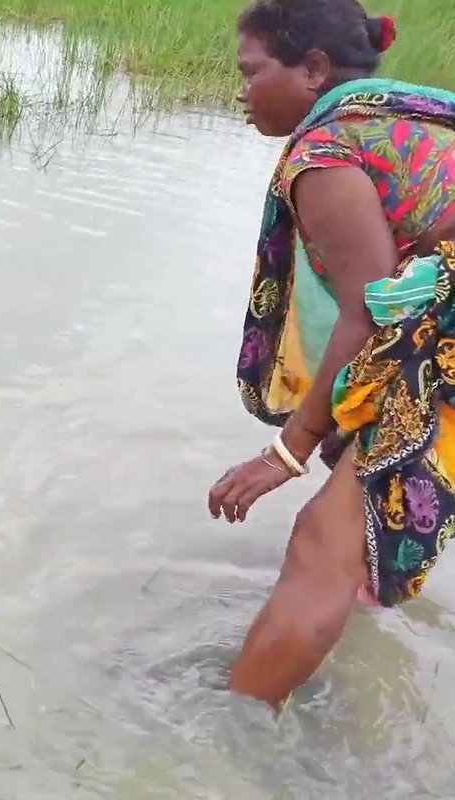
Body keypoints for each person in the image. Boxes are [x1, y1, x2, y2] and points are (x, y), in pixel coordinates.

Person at [209, 0, 455, 709]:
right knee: (357, 530)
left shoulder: (325, 149)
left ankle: (228, 743)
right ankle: (346, 668)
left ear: (314, 68)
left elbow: (374, 308)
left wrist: (285, 452)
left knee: (321, 543)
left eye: (252, 72)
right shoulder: (407, 123)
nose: (242, 90)